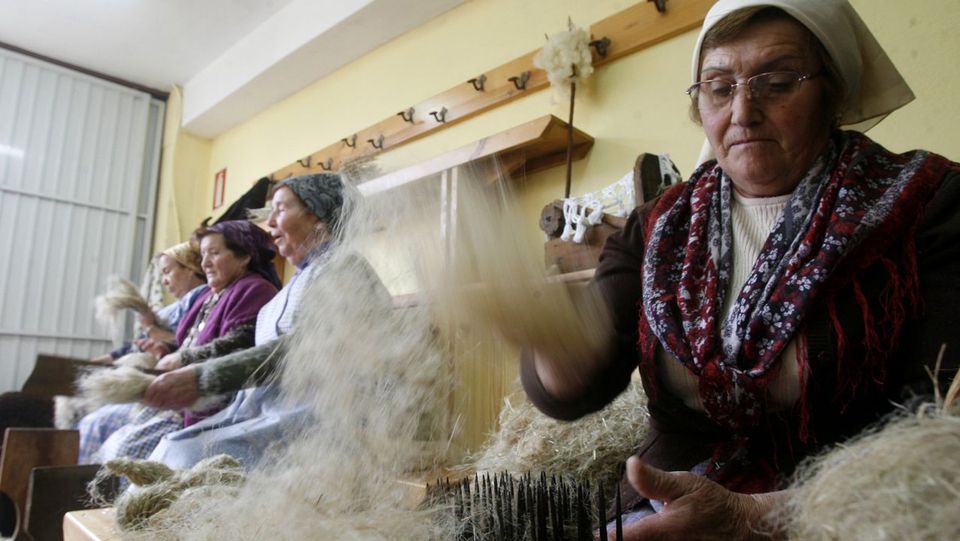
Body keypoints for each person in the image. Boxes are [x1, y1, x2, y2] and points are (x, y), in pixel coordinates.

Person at [520, 1, 960, 539]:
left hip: (855, 516)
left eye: (776, 82)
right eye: (719, 87)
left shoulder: (926, 205)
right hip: (661, 514)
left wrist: (752, 517)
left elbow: (937, 430)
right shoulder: (658, 227)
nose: (743, 111)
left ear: (833, 91)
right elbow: (574, 387)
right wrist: (547, 340)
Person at [144, 172, 387, 469]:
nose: (270, 223)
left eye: (281, 209)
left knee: (181, 457)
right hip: (271, 416)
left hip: (322, 424)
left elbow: (300, 350)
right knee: (170, 447)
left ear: (317, 218)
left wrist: (204, 378)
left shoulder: (345, 269)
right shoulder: (303, 280)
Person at [88, 220, 281, 463]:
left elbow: (241, 343)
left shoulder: (254, 290)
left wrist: (184, 358)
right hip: (182, 397)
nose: (205, 263)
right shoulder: (210, 295)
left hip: (210, 402)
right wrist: (166, 348)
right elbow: (187, 340)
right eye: (202, 255)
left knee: (124, 451)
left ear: (244, 257)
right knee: (104, 435)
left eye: (214, 253)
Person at [77, 241, 207, 459]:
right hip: (153, 384)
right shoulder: (173, 309)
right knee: (87, 420)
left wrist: (152, 330)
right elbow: (133, 347)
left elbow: (189, 345)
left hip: (166, 390)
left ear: (190, 267)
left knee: (96, 426)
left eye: (168, 272)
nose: (164, 281)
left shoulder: (203, 299)